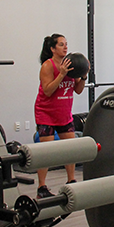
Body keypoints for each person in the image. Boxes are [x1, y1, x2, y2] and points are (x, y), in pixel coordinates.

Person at [34, 33, 87, 199]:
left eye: (66, 44)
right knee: (47, 152)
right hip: (46, 113)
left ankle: (71, 180)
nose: (65, 47)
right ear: (52, 49)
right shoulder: (48, 66)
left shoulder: (71, 64)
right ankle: (42, 187)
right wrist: (62, 74)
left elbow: (78, 90)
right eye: (61, 44)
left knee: (69, 149)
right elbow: (48, 90)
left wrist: (84, 75)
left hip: (64, 113)